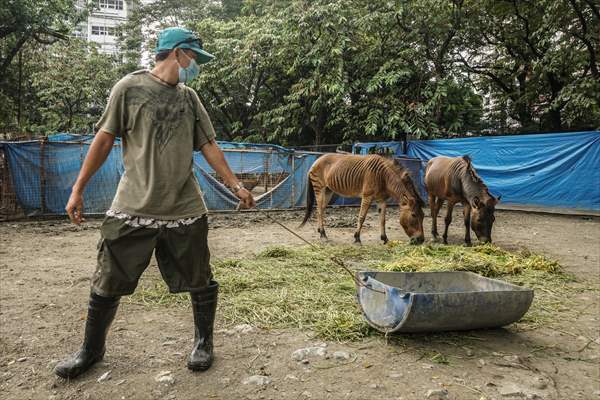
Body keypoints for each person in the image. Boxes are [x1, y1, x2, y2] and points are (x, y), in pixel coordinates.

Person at [54, 27, 255, 379]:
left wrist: (235, 184)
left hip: (185, 206)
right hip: (133, 204)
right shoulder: (128, 89)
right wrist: (78, 188)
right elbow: (103, 140)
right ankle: (91, 350)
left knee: (200, 278)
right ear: (177, 53)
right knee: (107, 278)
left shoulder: (189, 98)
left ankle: (203, 343)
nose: (195, 65)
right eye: (192, 57)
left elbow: (209, 146)